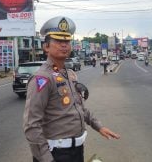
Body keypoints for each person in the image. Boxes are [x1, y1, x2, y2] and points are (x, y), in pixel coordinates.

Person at [23, 16, 120, 162]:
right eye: (58, 41)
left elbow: (79, 107)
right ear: (46, 47)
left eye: (67, 41)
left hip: (76, 151)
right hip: (56, 154)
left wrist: (99, 126)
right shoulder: (42, 78)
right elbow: (31, 125)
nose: (64, 45)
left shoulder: (68, 74)